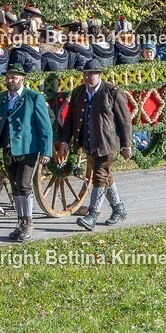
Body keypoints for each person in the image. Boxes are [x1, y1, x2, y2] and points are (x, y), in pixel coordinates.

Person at [58, 60, 133, 231]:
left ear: (99, 75)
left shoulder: (112, 92)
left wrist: (127, 145)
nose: (87, 77)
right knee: (106, 176)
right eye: (85, 74)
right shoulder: (78, 93)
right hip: (88, 143)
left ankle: (92, 215)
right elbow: (70, 119)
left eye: (91, 74)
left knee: (99, 176)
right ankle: (119, 209)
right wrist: (65, 141)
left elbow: (125, 120)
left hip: (108, 144)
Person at [0, 64, 53, 241]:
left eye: (14, 77)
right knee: (15, 186)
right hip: (9, 149)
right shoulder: (2, 98)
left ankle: (28, 222)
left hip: (28, 148)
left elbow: (45, 127)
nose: (10, 80)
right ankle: (20, 222)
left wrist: (46, 151)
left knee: (24, 184)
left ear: (22, 78)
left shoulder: (33, 97)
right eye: (8, 77)